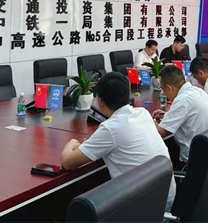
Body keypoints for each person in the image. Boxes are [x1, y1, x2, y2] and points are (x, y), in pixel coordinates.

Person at [60, 72, 176, 209]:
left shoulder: (110, 129)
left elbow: (68, 163)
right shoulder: (142, 113)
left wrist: (70, 144)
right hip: (166, 198)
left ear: (100, 101)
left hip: (143, 209)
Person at [153, 65, 208, 164]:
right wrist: (167, 115)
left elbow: (160, 132)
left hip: (193, 162)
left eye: (163, 89)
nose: (163, 93)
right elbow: (188, 115)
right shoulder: (198, 91)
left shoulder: (182, 100)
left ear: (169, 88)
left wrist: (149, 120)